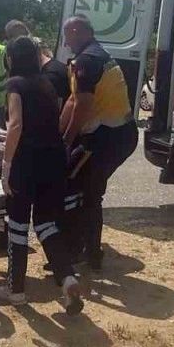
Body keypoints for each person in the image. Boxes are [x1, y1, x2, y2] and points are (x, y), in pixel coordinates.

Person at [0, 36, 85, 314]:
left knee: (18, 224)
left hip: (26, 161)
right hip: (53, 160)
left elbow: (15, 125)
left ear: (11, 58)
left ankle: (15, 289)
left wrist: (6, 166)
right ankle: (67, 277)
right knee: (47, 223)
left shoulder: (15, 84)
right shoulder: (46, 83)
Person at [59, 15, 138, 276]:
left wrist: (66, 142)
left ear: (75, 30)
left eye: (66, 36)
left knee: (84, 190)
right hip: (117, 134)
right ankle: (86, 249)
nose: (65, 42)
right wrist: (58, 134)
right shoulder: (95, 55)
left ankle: (88, 253)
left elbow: (82, 106)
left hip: (107, 137)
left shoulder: (87, 61)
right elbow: (72, 100)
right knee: (85, 188)